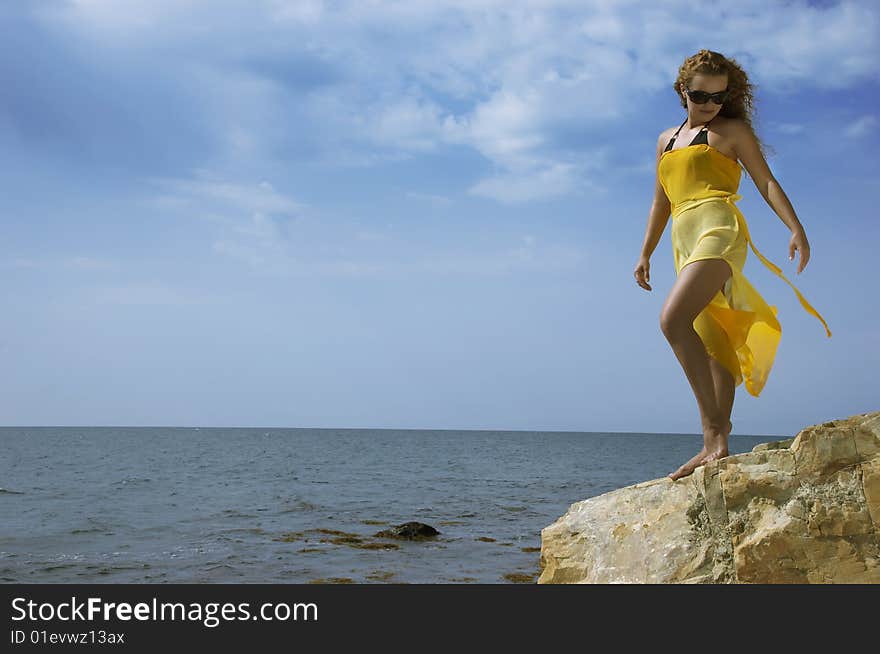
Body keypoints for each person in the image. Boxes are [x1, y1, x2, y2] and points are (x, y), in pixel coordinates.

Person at [634, 49, 832, 482]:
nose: (709, 104)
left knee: (672, 320)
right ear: (682, 90)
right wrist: (645, 252)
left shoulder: (733, 131)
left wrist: (795, 228)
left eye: (719, 97)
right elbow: (660, 201)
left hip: (719, 229)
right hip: (682, 237)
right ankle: (718, 445)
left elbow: (766, 181)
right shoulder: (665, 139)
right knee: (714, 335)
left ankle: (712, 432)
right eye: (701, 94)